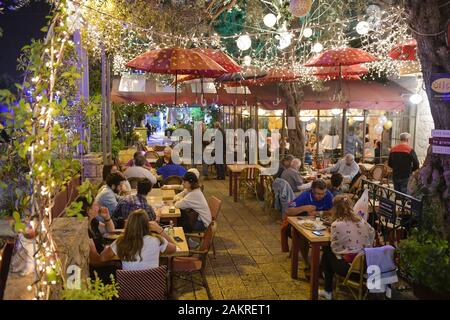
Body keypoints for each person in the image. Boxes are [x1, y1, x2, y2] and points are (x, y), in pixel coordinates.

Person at [319, 195, 375, 300]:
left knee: (327, 251)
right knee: (329, 254)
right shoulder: (362, 221)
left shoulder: (336, 224)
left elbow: (335, 248)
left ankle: (327, 289)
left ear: (334, 209)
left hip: (350, 270)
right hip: (366, 266)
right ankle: (326, 286)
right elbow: (372, 233)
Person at [100, 209, 176, 270]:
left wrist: (108, 247)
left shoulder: (121, 241)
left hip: (129, 288)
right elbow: (174, 249)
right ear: (147, 225)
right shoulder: (156, 240)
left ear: (128, 224)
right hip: (153, 287)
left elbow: (102, 258)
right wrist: (160, 229)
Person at [285, 179, 334, 265]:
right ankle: (307, 263)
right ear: (312, 191)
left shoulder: (328, 195)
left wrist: (319, 213)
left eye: (323, 194)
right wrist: (304, 208)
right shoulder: (305, 195)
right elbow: (288, 211)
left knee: (333, 237)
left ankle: (325, 265)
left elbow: (332, 211)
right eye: (318, 194)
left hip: (321, 224)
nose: (321, 196)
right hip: (302, 224)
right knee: (301, 236)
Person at [79, 197, 119, 284]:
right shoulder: (85, 230)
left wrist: (107, 217)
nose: (99, 206)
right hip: (97, 272)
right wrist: (115, 260)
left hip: (103, 258)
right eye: (96, 204)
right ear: (88, 210)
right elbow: (95, 261)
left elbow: (110, 231)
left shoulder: (93, 222)